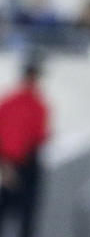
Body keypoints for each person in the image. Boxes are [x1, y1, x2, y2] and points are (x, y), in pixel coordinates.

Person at [0, 59, 49, 237]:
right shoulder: (38, 105)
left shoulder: (8, 102)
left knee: (6, 211)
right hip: (25, 164)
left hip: (9, 163)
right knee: (27, 216)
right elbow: (41, 137)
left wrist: (5, 167)